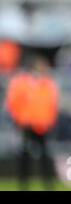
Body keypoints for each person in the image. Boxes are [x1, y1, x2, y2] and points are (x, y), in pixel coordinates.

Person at [5, 55, 59, 190]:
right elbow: (13, 103)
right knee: (24, 156)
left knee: (45, 157)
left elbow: (52, 104)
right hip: (26, 126)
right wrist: (20, 120)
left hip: (43, 126)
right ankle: (23, 185)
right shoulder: (20, 82)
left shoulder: (48, 83)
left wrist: (49, 121)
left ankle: (48, 185)